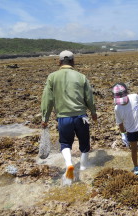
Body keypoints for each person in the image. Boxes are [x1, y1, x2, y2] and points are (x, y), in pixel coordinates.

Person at [41, 50, 97, 183]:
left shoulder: (52, 77)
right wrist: (93, 112)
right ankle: (83, 168)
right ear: (73, 61)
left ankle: (69, 164)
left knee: (65, 143)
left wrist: (45, 118)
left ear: (59, 62)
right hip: (81, 117)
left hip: (63, 118)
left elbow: (47, 99)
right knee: (84, 143)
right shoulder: (81, 77)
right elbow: (89, 97)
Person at [112, 82, 138, 183]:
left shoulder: (135, 97)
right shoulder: (117, 108)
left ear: (127, 93)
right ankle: (136, 167)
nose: (122, 102)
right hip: (130, 130)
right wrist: (123, 134)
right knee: (134, 149)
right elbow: (120, 123)